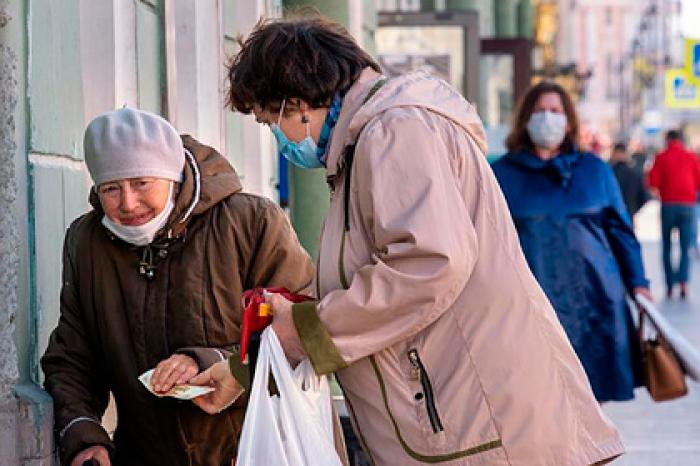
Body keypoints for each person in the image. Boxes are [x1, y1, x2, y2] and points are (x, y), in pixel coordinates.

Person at [191, 15, 624, 466]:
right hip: (469, 417)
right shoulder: (366, 144)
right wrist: (245, 368)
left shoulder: (394, 131)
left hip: (480, 422)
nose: (279, 137)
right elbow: (363, 279)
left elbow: (429, 264)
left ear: (298, 103)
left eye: (270, 121)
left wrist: (306, 331)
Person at [41, 108, 313, 466]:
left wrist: (208, 361)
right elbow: (73, 356)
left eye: (141, 183)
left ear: (173, 175)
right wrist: (83, 435)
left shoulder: (251, 223)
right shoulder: (87, 243)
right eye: (111, 188)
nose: (128, 203)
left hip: (257, 450)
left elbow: (303, 335)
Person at [490, 82, 652, 403]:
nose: (547, 118)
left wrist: (639, 282)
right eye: (539, 111)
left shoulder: (594, 170)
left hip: (595, 299)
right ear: (524, 119)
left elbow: (620, 231)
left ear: (568, 121)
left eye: (555, 111)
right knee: (540, 401)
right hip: (532, 305)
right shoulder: (501, 175)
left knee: (591, 401)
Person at [647, 129, 700, 299]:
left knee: (667, 245)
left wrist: (663, 192)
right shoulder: (691, 156)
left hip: (668, 205)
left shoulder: (661, 157)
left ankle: (670, 284)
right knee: (686, 246)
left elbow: (652, 182)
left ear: (667, 139)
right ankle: (683, 283)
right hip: (687, 205)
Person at [610, 142, 650, 224]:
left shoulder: (608, 174)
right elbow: (644, 197)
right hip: (629, 216)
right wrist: (633, 209)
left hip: (610, 218)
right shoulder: (634, 174)